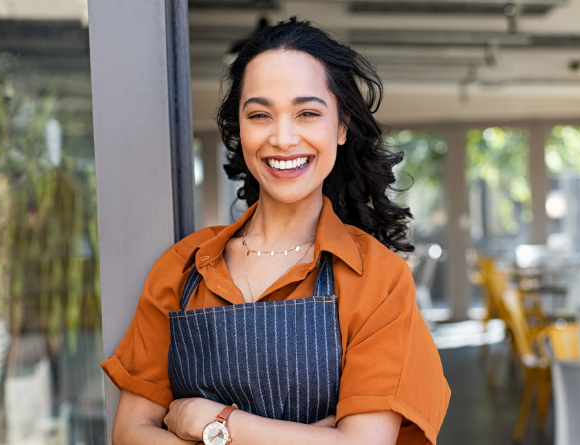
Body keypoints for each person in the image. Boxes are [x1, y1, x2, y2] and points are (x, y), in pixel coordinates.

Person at [102, 17, 450, 445]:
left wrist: (212, 423)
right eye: (260, 114)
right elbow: (129, 433)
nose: (283, 138)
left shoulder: (376, 279)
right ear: (241, 131)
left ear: (341, 127)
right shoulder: (183, 268)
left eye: (307, 113)